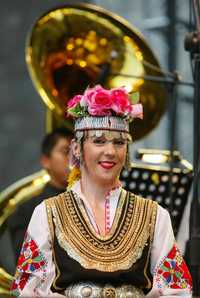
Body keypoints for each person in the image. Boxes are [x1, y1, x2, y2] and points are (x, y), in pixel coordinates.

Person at [11, 85, 192, 297]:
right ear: (77, 148)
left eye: (119, 142)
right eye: (98, 141)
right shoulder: (47, 213)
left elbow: (177, 291)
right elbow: (28, 291)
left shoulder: (155, 215)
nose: (110, 151)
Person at [8, 127, 73, 261]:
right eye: (66, 151)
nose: (74, 158)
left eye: (78, 152)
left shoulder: (94, 201)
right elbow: (30, 263)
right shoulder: (25, 211)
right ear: (46, 161)